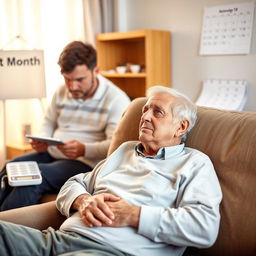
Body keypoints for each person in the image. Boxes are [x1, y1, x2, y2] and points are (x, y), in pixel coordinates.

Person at [0, 86, 222, 256]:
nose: (145, 117)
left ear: (181, 127)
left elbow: (204, 227)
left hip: (108, 251)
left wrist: (134, 215)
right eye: (145, 110)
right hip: (56, 240)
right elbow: (74, 183)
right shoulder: (125, 150)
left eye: (158, 112)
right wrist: (83, 200)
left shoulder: (195, 163)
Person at [0, 41, 130, 211]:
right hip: (53, 153)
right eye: (67, 79)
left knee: (32, 177)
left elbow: (115, 146)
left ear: (96, 71)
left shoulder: (116, 99)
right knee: (11, 166)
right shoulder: (62, 91)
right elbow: (48, 122)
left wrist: (84, 149)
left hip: (86, 163)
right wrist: (42, 140)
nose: (72, 86)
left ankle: (5, 231)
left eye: (79, 80)